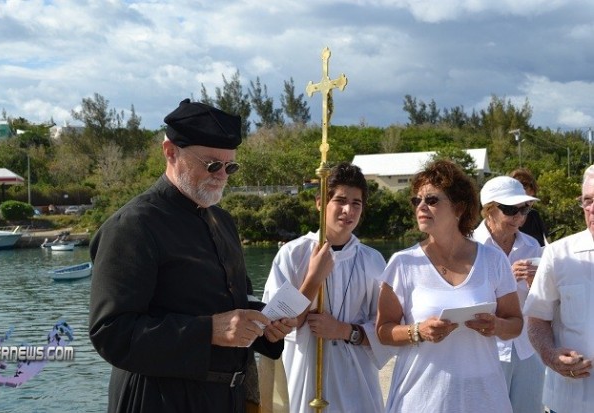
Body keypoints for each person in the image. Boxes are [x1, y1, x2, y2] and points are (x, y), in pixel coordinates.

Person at [89, 98, 296, 413]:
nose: (222, 175)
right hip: (159, 399)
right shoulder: (132, 226)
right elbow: (112, 333)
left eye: (230, 166)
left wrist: (264, 324)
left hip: (226, 398)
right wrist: (209, 330)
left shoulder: (223, 221)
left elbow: (235, 299)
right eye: (212, 164)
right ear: (170, 152)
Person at [376, 159, 523, 413]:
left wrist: (497, 325)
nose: (421, 207)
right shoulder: (402, 263)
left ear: (459, 208)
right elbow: (383, 331)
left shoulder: (493, 260)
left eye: (432, 200)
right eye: (416, 201)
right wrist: (418, 331)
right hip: (421, 400)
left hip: (484, 399)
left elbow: (516, 324)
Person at [262, 162, 393, 413]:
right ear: (321, 202)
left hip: (357, 380)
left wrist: (344, 330)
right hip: (305, 375)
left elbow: (386, 328)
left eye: (357, 203)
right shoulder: (292, 254)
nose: (348, 210)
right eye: (340, 200)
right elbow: (275, 327)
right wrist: (312, 280)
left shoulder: (372, 260)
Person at [523, 164, 594, 413]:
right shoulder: (558, 255)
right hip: (571, 402)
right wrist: (550, 355)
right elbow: (536, 320)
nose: (592, 209)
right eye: (588, 200)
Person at [472, 176, 545, 413]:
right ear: (488, 211)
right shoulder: (469, 246)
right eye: (511, 209)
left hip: (527, 348)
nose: (520, 217)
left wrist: (537, 283)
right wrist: (505, 280)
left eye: (525, 209)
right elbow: (463, 298)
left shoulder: (532, 245)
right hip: (485, 349)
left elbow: (543, 304)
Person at [510, 168, 548, 246]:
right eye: (524, 199)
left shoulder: (534, 215)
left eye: (531, 199)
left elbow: (547, 242)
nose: (528, 204)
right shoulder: (506, 220)